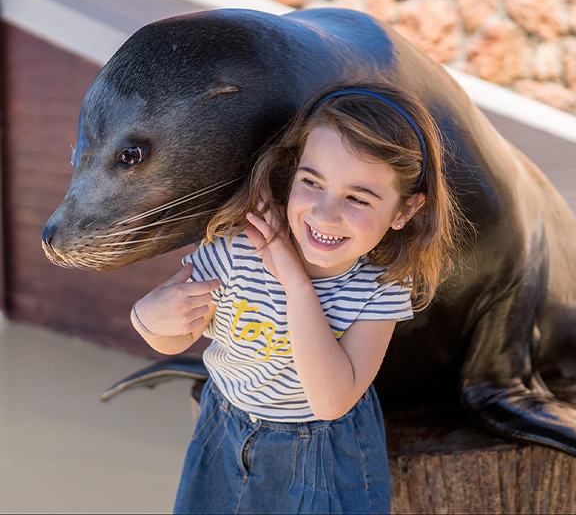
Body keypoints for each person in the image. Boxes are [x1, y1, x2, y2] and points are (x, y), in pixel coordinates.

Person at [130, 83, 462, 514]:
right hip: (224, 425)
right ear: (292, 173)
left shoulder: (380, 287)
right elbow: (176, 338)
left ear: (404, 211)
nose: (326, 214)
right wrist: (148, 317)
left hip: (323, 453)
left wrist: (296, 283)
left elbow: (331, 401)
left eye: (358, 197)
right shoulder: (236, 248)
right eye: (312, 182)